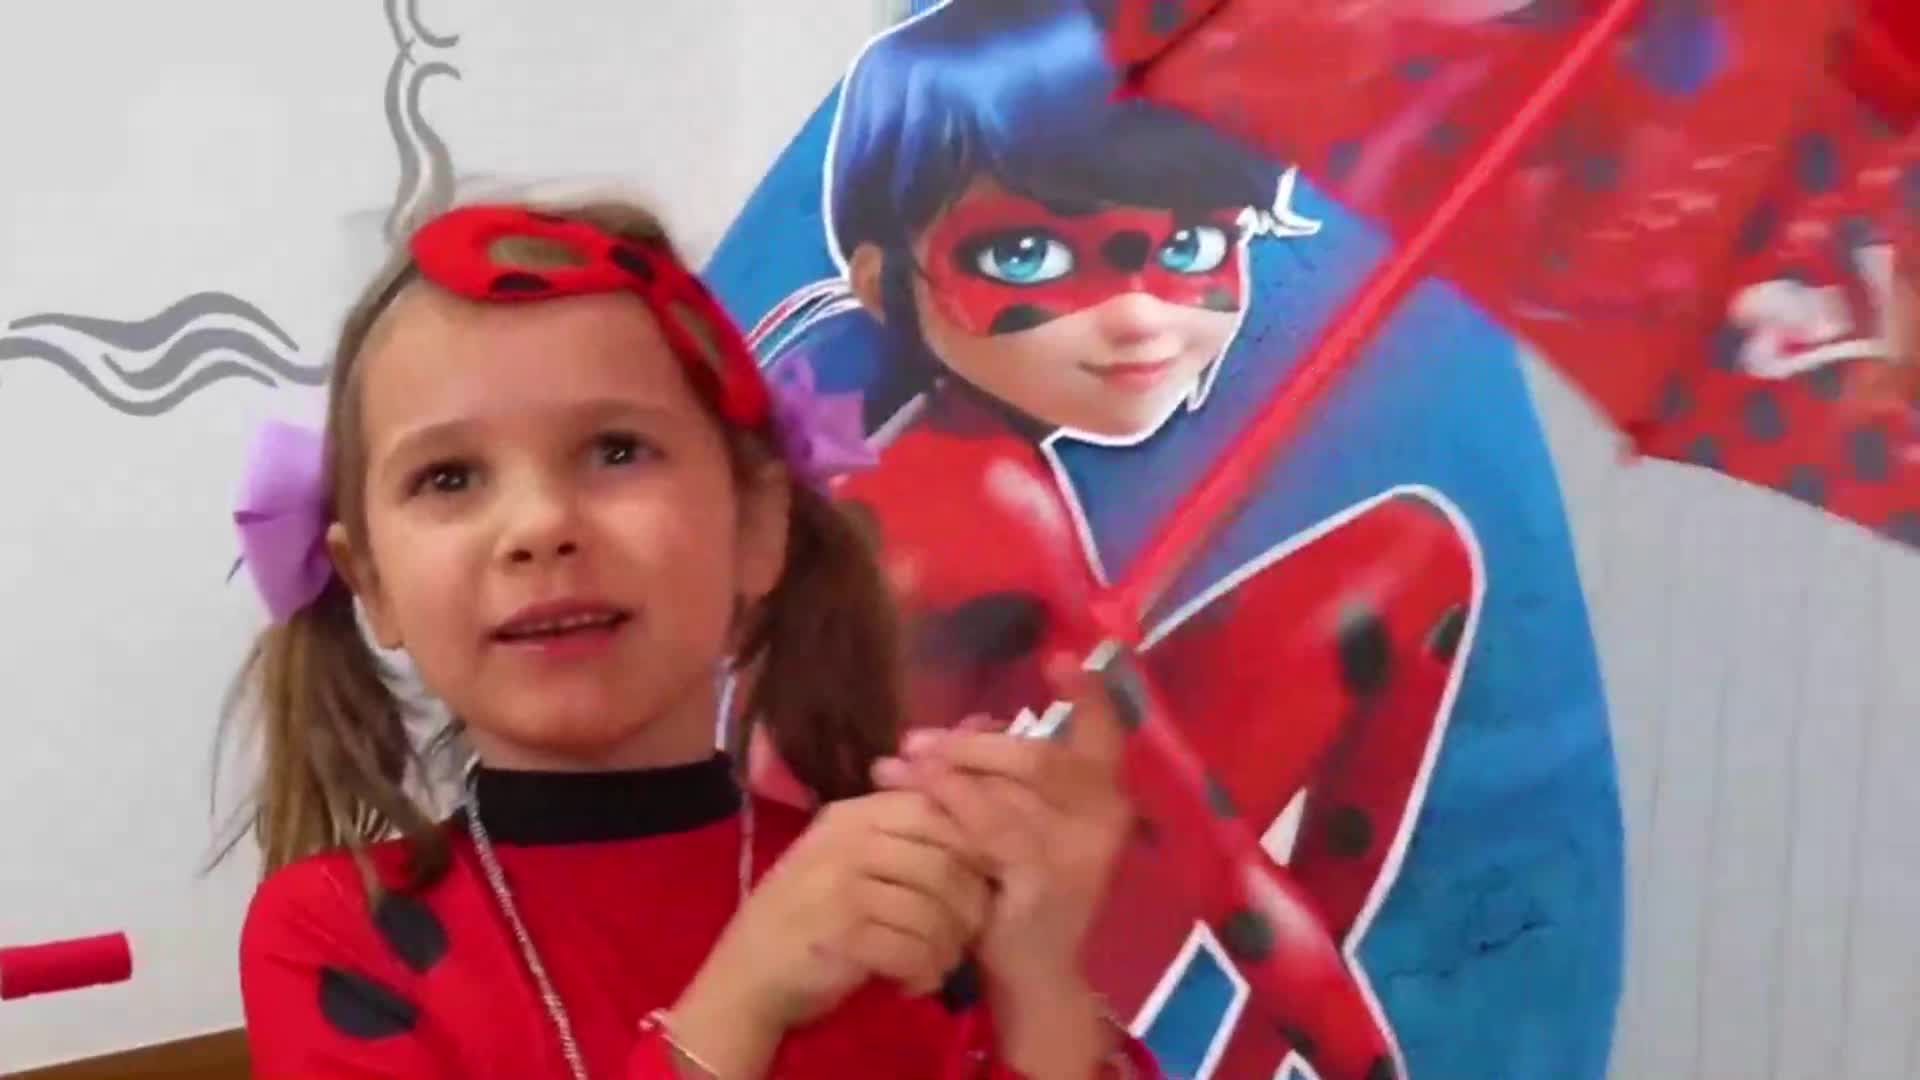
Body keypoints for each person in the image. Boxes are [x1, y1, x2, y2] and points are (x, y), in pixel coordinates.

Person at [219, 198, 1159, 1078]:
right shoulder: (342, 934)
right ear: (371, 581)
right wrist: (743, 999)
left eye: (617, 450)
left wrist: (1040, 981)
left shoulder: (907, 902)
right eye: (450, 478)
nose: (540, 525)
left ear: (757, 526)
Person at [745, 3, 1484, 1078]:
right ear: (880, 277)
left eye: (1189, 246)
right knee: (1408, 576)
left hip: (916, 939)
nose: (1141, 320)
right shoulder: (989, 504)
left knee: (1410, 561)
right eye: (1031, 252)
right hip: (882, 1008)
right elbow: (1216, 863)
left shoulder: (927, 458)